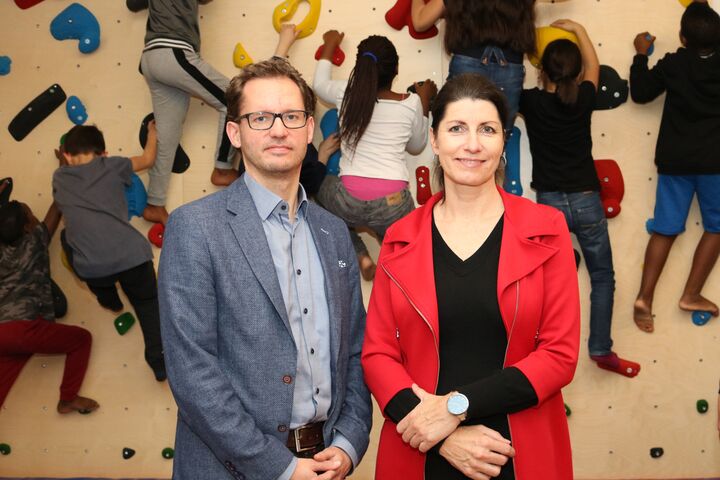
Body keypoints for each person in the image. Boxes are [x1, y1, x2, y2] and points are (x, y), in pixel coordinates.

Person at [158, 57, 372, 480]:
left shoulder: (332, 231)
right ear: (234, 132)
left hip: (327, 463)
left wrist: (349, 441)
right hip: (231, 468)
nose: (278, 129)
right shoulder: (195, 227)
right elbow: (193, 373)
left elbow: (355, 352)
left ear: (310, 129)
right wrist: (279, 467)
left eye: (291, 116)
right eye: (260, 118)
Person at [362, 73, 580, 479]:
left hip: (518, 451)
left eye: (488, 130)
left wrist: (454, 407)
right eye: (457, 128)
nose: (473, 145)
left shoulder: (547, 229)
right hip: (423, 448)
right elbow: (377, 354)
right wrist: (441, 434)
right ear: (435, 139)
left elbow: (560, 355)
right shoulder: (400, 237)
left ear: (503, 142)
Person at [518, 20, 640, 377]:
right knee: (603, 277)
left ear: (542, 72)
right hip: (586, 200)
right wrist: (580, 29)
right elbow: (594, 67)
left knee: (544, 282)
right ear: (576, 72)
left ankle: (538, 350)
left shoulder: (532, 101)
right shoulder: (584, 98)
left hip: (550, 205)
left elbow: (507, 91)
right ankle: (600, 347)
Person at [311, 30, 437, 281]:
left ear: (361, 66)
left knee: (315, 189)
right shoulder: (410, 102)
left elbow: (318, 85)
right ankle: (389, 248)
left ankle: (361, 256)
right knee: (404, 240)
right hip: (393, 205)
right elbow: (417, 145)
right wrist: (424, 101)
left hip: (348, 201)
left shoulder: (344, 92)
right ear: (396, 70)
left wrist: (330, 44)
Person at [630, 1, 720, 332]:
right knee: (717, 226)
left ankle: (644, 297)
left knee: (665, 229)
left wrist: (641, 55)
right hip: (715, 163)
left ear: (681, 38)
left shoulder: (674, 63)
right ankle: (692, 293)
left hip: (675, 161)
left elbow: (639, 93)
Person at [53, 123, 166, 382]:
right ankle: (158, 362)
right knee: (148, 305)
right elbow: (148, 159)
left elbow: (67, 168)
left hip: (94, 266)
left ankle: (109, 299)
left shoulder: (59, 177)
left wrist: (63, 159)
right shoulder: (114, 165)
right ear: (103, 153)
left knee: (66, 238)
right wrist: (152, 134)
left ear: (67, 156)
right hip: (132, 257)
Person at [0, 180, 98, 414]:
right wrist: (65, 172)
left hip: (3, 333)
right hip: (24, 329)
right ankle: (68, 398)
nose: (34, 218)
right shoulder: (34, 243)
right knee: (81, 339)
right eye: (29, 215)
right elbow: (57, 207)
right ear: (26, 228)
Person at [140, 0, 237, 226]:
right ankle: (223, 168)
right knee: (233, 98)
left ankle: (155, 202)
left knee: (167, 137)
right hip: (173, 50)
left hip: (150, 58)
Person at [410, 0, 540, 130]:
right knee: (497, 137)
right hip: (510, 69)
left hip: (467, 62)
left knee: (457, 133)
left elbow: (420, 21)